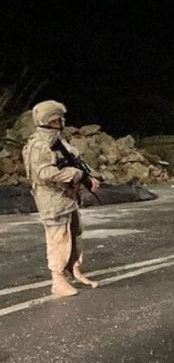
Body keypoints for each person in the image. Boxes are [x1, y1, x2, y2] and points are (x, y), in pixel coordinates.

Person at [22, 100, 100, 297]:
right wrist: (74, 174)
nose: (62, 121)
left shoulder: (58, 140)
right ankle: (58, 280)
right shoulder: (40, 145)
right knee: (59, 239)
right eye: (58, 119)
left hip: (67, 198)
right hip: (53, 199)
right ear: (49, 120)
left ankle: (73, 271)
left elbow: (75, 160)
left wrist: (87, 176)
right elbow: (44, 172)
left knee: (75, 233)